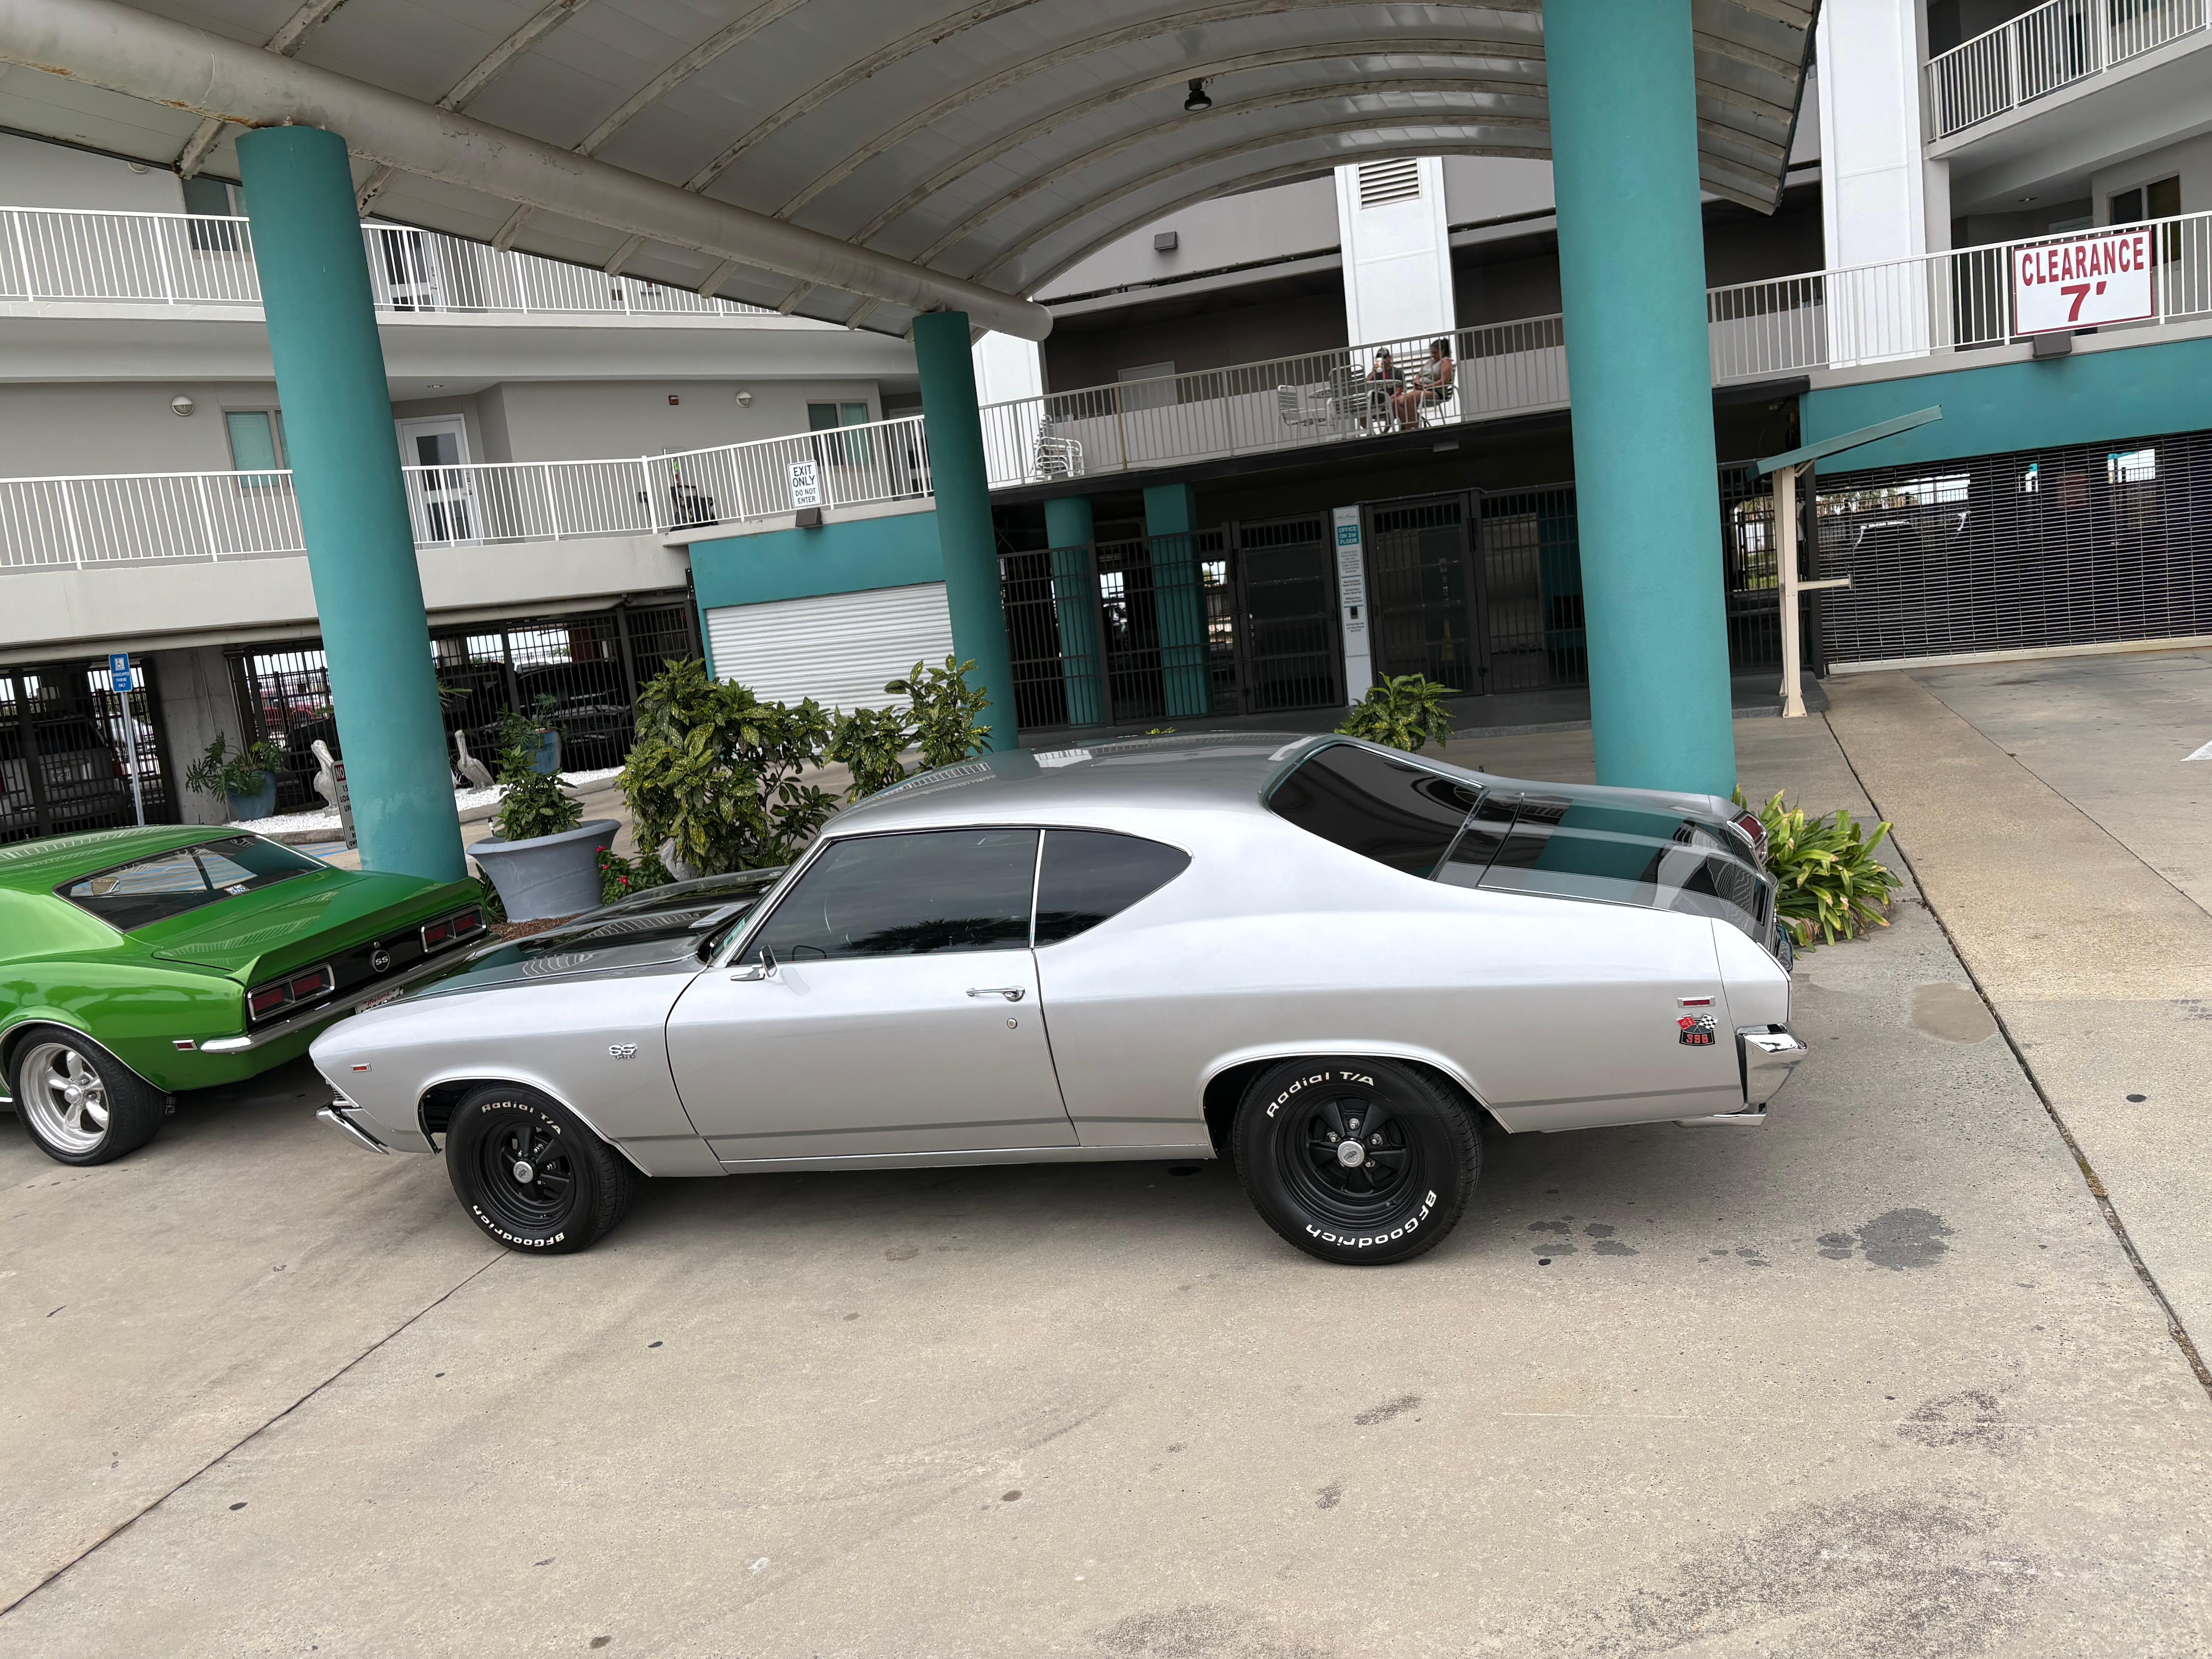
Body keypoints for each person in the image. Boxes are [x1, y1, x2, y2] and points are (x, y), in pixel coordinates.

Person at [1394, 337, 1456, 427]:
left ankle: (1415, 427)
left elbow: (1444, 381)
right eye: (1432, 353)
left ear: (1443, 351)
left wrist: (1428, 387)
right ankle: (1408, 428)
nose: (1433, 355)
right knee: (1398, 401)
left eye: (1436, 353)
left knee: (1408, 398)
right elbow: (1420, 375)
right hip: (1424, 389)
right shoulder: (1431, 362)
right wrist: (1417, 382)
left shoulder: (1445, 361)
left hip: (1436, 392)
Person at [1364, 348, 1398, 432]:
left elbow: (1399, 391)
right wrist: (1374, 372)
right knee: (1360, 409)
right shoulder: (1375, 374)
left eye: (1384, 357)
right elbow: (1365, 384)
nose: (1383, 360)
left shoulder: (1397, 372)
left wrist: (1389, 400)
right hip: (1375, 402)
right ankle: (1371, 433)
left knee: (1393, 404)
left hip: (1390, 399)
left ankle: (1385, 432)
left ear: (1390, 358)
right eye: (1379, 358)